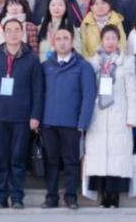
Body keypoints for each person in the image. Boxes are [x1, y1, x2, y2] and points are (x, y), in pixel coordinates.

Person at [0, 18, 43, 209]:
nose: (13, 34)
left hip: (22, 116)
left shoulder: (32, 58)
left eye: (17, 30)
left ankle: (17, 196)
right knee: (0, 158)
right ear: (3, 33)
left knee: (17, 158)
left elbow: (37, 89)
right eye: (9, 30)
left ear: (22, 33)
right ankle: (0, 197)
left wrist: (35, 115)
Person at [39, 27, 96, 209]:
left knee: (71, 161)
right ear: (53, 42)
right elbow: (39, 94)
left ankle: (71, 196)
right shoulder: (45, 66)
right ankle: (51, 196)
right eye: (59, 39)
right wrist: (38, 119)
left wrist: (83, 122)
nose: (62, 42)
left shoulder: (83, 66)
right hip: (49, 122)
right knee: (51, 161)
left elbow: (88, 96)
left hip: (72, 123)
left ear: (72, 42)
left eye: (66, 38)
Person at [83, 25, 136, 208]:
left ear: (118, 41)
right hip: (97, 115)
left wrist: (132, 117)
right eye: (107, 38)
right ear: (101, 40)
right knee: (99, 155)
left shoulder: (126, 62)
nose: (110, 42)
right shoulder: (92, 63)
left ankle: (114, 195)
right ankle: (103, 195)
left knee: (117, 154)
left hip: (119, 113)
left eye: (114, 38)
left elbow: (132, 92)